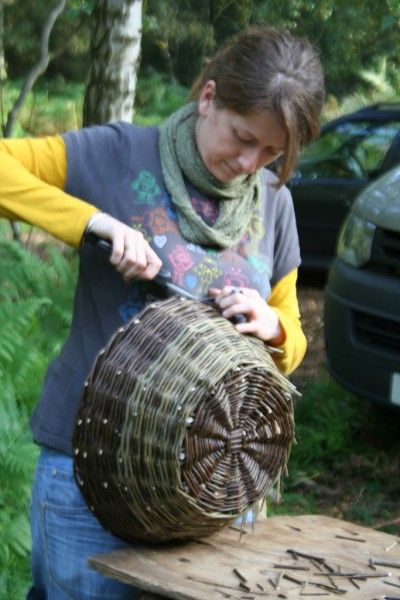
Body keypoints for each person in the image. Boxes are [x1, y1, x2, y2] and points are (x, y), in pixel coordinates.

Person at [0, 25, 324, 600]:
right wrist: (92, 224)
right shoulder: (117, 155)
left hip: (213, 488)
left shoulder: (275, 204)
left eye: (271, 152)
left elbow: (291, 333)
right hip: (87, 481)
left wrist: (271, 326)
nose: (251, 162)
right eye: (243, 137)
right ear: (209, 98)